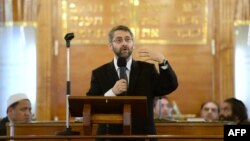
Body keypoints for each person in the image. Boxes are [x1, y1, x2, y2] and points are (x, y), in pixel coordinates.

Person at [86, 25, 178, 141]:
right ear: (110, 46)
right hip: (109, 136)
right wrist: (112, 92)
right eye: (119, 40)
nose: (124, 43)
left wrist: (163, 62)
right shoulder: (99, 73)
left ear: (133, 44)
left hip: (143, 135)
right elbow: (91, 104)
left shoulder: (147, 70)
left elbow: (169, 86)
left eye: (128, 39)